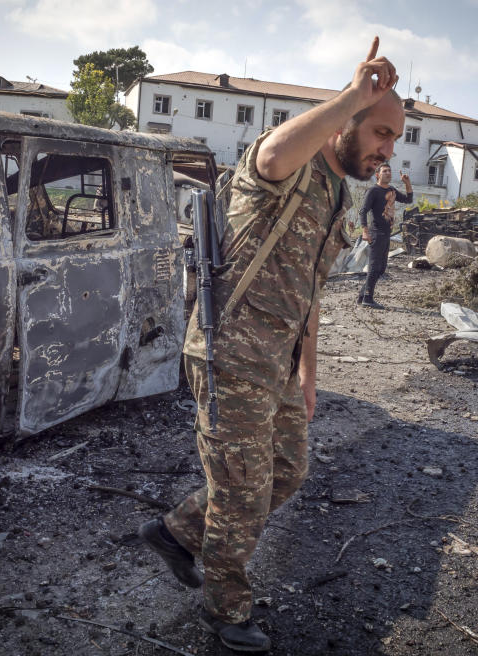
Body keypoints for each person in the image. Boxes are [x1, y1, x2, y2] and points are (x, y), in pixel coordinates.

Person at [139, 37, 404, 653]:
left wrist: (309, 378)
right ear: (347, 122)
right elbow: (275, 151)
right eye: (380, 133)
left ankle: (177, 531)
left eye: (394, 138)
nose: (387, 149)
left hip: (276, 364)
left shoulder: (340, 194)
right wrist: (352, 95)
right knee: (242, 489)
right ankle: (226, 610)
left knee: (287, 470)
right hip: (229, 352)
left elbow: (309, 296)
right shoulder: (289, 166)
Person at [356, 162, 412, 309]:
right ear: (377, 175)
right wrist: (364, 231)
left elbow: (408, 200)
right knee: (374, 267)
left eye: (389, 171)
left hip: (387, 234)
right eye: (385, 171)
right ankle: (368, 298)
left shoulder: (392, 190)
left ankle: (363, 295)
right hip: (376, 233)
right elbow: (363, 211)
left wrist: (407, 183)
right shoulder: (373, 191)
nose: (388, 173)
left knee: (381, 268)